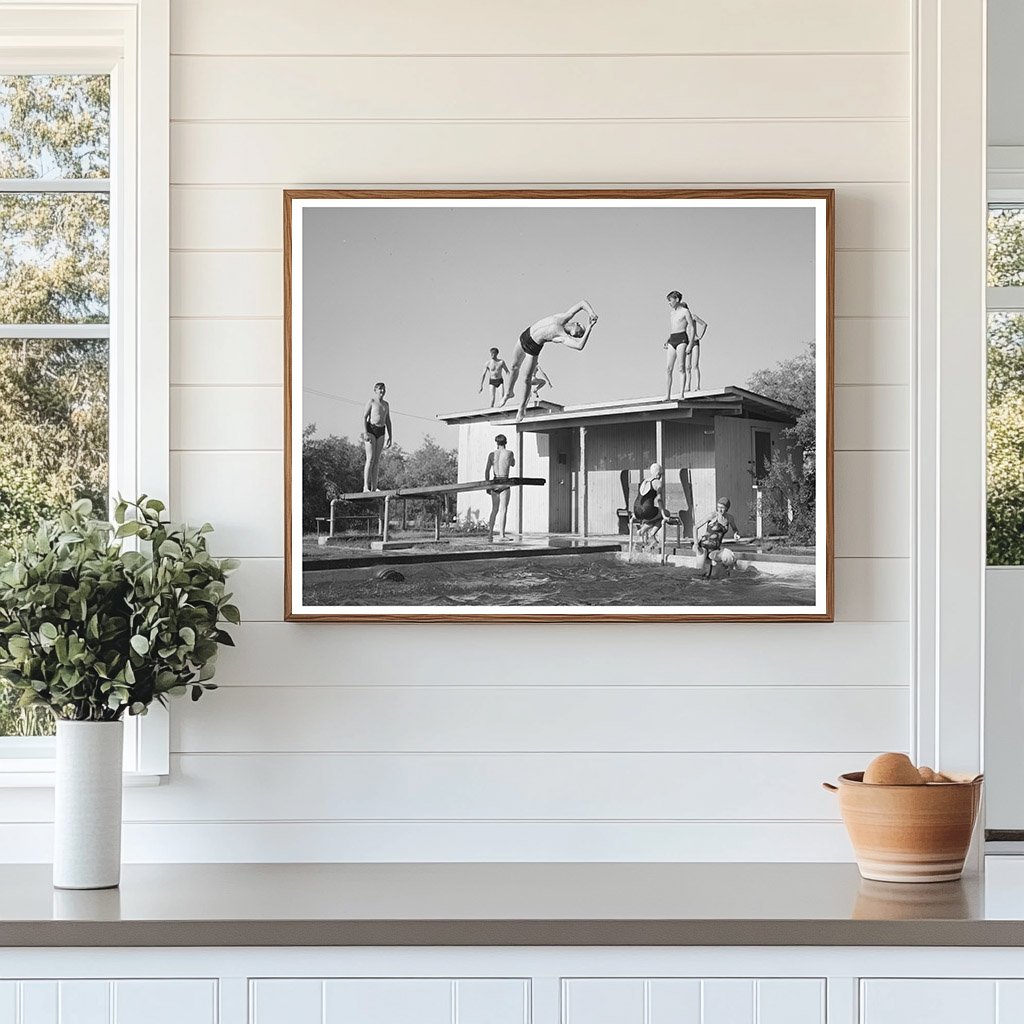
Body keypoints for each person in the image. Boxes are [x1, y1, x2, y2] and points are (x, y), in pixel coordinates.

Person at [504, 300, 599, 422]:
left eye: (578, 336)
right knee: (513, 366)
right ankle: (509, 392)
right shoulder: (564, 317)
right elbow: (582, 303)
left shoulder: (562, 336)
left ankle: (522, 408)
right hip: (526, 335)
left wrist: (589, 328)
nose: (577, 335)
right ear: (577, 323)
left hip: (534, 346)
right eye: (580, 332)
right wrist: (591, 313)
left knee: (526, 379)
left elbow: (579, 346)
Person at [662, 290, 709, 397]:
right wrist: (667, 340)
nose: (669, 303)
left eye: (670, 300)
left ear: (677, 300)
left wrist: (691, 343)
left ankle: (683, 393)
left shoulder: (685, 312)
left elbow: (691, 327)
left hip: (682, 338)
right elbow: (673, 328)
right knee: (668, 368)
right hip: (673, 338)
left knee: (682, 366)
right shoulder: (672, 313)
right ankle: (667, 395)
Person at [693, 496, 743, 579]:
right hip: (703, 547)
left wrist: (736, 534)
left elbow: (735, 529)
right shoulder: (712, 516)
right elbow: (695, 527)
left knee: (727, 556)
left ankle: (728, 573)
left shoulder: (730, 518)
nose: (720, 510)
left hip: (715, 549)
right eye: (718, 507)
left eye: (722, 508)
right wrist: (695, 543)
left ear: (727, 508)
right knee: (700, 573)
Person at [361, 381, 392, 492]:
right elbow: (364, 417)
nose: (382, 391)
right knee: (370, 459)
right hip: (371, 430)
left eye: (383, 389)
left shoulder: (386, 404)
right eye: (380, 389)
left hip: (381, 430)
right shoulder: (372, 401)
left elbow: (388, 420)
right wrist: (365, 433)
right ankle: (366, 486)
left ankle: (374, 487)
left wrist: (390, 436)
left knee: (377, 460)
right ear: (375, 390)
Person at [484, 433, 516, 541]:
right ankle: (502, 535)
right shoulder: (509, 453)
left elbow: (487, 470)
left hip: (494, 481)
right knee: (503, 509)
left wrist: (487, 486)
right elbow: (513, 464)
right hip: (504, 482)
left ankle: (490, 533)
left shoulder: (492, 455)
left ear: (496, 443)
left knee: (494, 509)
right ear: (505, 442)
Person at [633, 462, 667, 551]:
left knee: (653, 518)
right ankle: (652, 534)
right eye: (661, 474)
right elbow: (659, 499)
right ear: (658, 473)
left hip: (636, 510)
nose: (661, 476)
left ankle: (642, 531)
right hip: (646, 509)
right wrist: (663, 513)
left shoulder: (644, 481)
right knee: (663, 516)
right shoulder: (657, 482)